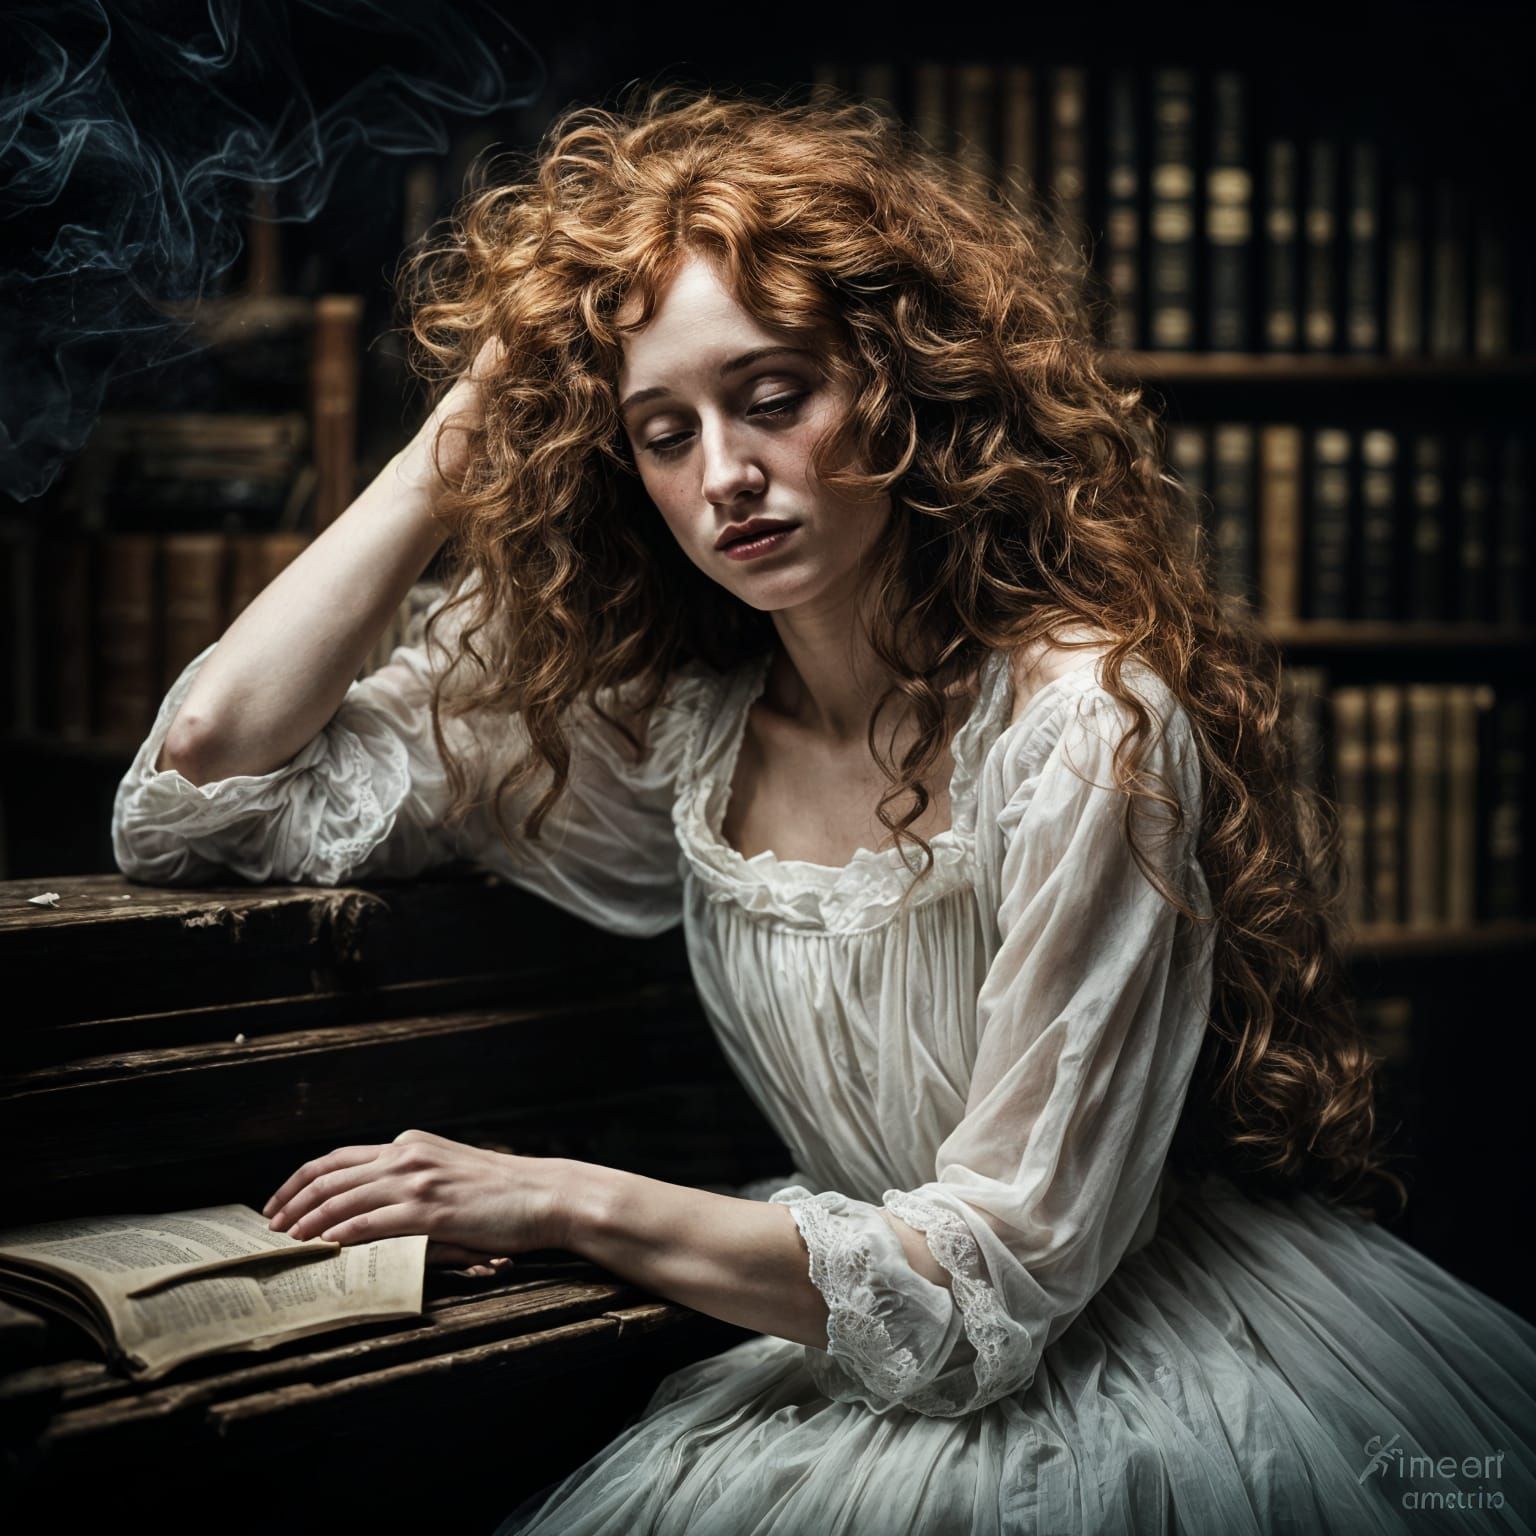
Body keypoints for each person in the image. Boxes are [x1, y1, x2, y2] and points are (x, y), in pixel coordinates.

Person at [112, 83, 1536, 1535]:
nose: (726, 474)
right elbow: (203, 779)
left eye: (774, 398)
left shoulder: (1082, 729)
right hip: (840, 1344)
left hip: (1138, 1368)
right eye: (662, 433)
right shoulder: (677, 728)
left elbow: (990, 1285)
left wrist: (549, 1200)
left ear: (904, 387)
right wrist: (460, 441)